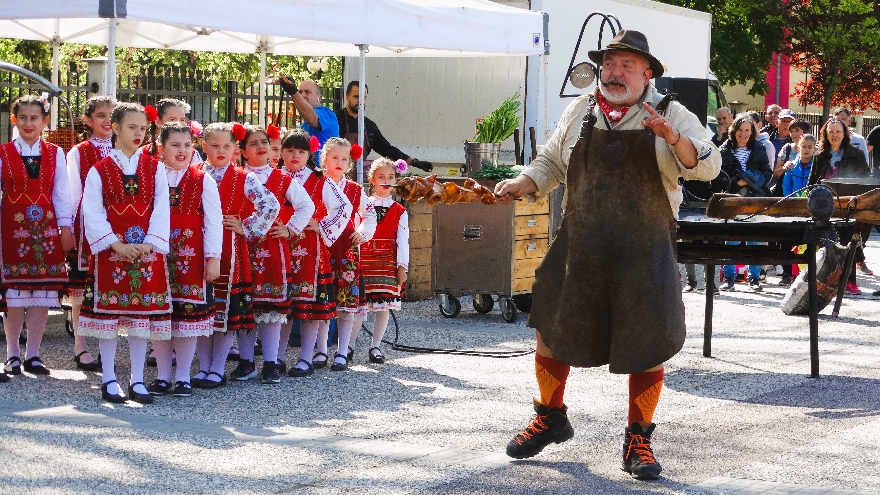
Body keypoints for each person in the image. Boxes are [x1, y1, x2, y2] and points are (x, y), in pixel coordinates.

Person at [494, 30, 720, 480]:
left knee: (647, 341)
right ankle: (550, 416)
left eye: (627, 66)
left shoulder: (672, 111)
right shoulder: (582, 110)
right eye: (610, 64)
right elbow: (552, 162)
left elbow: (710, 166)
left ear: (647, 73)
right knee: (550, 327)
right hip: (581, 242)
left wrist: (673, 137)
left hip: (644, 247)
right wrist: (526, 181)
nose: (615, 73)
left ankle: (638, 438)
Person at [77, 102, 171, 404]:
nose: (138, 133)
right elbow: (91, 210)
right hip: (111, 252)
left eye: (143, 128)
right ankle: (108, 377)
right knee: (108, 318)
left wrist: (150, 242)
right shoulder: (99, 169)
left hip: (145, 250)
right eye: (132, 127)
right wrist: (115, 244)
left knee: (140, 317)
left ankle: (138, 379)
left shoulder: (154, 167)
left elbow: (161, 207)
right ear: (115, 128)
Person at [191, 123, 277, 389]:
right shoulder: (192, 174)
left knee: (225, 310)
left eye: (226, 146)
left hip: (230, 248)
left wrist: (246, 226)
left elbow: (270, 204)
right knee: (202, 308)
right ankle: (204, 367)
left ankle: (217, 368)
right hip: (197, 246)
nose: (220, 151)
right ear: (203, 147)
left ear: (234, 149)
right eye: (214, 145)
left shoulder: (243, 178)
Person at [232, 125, 314, 384]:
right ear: (243, 151)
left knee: (271, 306)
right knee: (246, 305)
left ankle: (270, 362)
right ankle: (246, 362)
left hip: (272, 249)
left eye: (264, 142)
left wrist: (290, 230)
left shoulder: (281, 178)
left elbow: (306, 205)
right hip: (243, 246)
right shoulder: (237, 176)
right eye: (253, 143)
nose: (261, 147)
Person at [1, 94, 75, 378]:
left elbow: (61, 193)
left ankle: (34, 353)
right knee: (15, 291)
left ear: (45, 121)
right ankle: (12, 354)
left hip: (45, 227)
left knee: (42, 292)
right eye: (22, 118)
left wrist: (65, 227)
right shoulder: (4, 152)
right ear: (14, 120)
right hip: (11, 227)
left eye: (34, 118)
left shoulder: (55, 153)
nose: (28, 123)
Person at [147, 122, 223, 398]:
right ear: (161, 148)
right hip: (157, 250)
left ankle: (183, 376)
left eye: (187, 145)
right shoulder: (151, 176)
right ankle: (163, 374)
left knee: (187, 314)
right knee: (160, 314)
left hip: (192, 253)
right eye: (175, 145)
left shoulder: (203, 179)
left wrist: (213, 258)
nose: (182, 151)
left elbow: (214, 222)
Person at [276, 130, 351, 376]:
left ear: (309, 154)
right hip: (279, 244)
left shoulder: (318, 179)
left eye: (300, 151)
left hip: (309, 248)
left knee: (308, 306)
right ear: (282, 152)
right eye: (289, 150)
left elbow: (342, 207)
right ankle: (276, 357)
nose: (294, 155)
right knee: (282, 306)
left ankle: (306, 357)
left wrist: (322, 225)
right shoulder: (275, 177)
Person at [317, 137, 376, 371]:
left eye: (344, 159)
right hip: (322, 246)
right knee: (322, 301)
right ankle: (321, 350)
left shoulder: (355, 190)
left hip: (347, 248)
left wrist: (363, 232)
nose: (339, 162)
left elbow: (369, 215)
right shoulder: (318, 184)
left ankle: (342, 351)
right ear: (324, 159)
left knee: (346, 302)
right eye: (334, 158)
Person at [66, 94, 116, 372]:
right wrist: (70, 228)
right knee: (81, 288)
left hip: (119, 228)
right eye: (101, 116)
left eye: (111, 115)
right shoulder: (79, 152)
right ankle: (80, 344)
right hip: (87, 228)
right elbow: (73, 194)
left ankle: (107, 345)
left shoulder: (125, 149)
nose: (107, 121)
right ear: (88, 121)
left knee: (111, 284)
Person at [349, 158, 410, 364]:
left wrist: (403, 266)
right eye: (381, 177)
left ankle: (376, 346)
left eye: (390, 177)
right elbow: (357, 229)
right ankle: (349, 346)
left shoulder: (400, 211)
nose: (386, 181)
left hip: (387, 261)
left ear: (396, 180)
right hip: (364, 258)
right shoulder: (363, 205)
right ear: (372, 179)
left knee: (383, 306)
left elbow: (403, 240)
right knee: (360, 306)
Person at [808, 117, 871, 295]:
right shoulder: (819, 156)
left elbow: (865, 180)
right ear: (825, 134)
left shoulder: (856, 154)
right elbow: (812, 183)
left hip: (848, 207)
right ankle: (826, 281)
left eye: (838, 132)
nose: (835, 135)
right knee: (826, 245)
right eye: (831, 132)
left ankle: (849, 281)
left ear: (845, 133)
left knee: (848, 243)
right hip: (824, 207)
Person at [719, 114, 771, 292]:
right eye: (740, 130)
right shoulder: (725, 149)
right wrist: (736, 182)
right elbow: (718, 178)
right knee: (731, 239)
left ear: (752, 131)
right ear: (734, 130)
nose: (743, 133)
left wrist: (752, 180)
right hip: (732, 199)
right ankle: (729, 277)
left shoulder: (759, 148)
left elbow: (767, 173)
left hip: (754, 197)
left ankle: (754, 278)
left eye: (747, 130)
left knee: (754, 239)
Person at [335, 81, 433, 172]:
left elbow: (388, 150)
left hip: (358, 177)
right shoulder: (335, 120)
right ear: (347, 97)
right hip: (335, 175)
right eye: (356, 97)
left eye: (364, 97)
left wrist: (415, 162)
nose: (361, 101)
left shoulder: (369, 126)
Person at [277, 76, 339, 149]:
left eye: (307, 92)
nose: (302, 95)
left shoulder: (327, 113)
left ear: (319, 97)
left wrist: (293, 91)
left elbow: (311, 118)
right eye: (300, 92)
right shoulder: (303, 125)